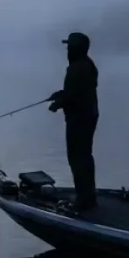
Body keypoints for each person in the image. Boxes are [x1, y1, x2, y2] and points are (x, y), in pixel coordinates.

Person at [48, 31, 99, 212]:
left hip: (79, 119)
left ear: (76, 49)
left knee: (77, 158)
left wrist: (58, 104)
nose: (67, 50)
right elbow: (77, 92)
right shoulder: (88, 65)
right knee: (85, 156)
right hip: (89, 116)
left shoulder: (76, 68)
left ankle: (83, 201)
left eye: (69, 47)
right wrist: (60, 95)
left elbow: (74, 96)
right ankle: (88, 197)